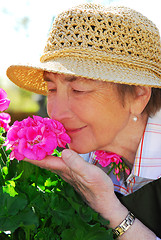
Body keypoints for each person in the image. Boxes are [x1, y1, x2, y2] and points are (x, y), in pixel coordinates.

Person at [6, 3, 161, 239]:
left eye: (78, 89)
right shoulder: (81, 158)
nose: (56, 113)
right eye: (51, 89)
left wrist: (110, 210)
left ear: (139, 95)